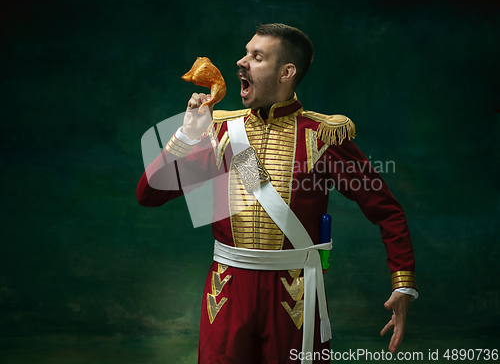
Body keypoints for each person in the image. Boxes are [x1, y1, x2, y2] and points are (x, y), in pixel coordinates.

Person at [136, 23, 417, 364]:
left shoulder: (323, 136)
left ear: (286, 72)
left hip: (295, 297)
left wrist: (402, 285)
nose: (241, 62)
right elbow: (149, 194)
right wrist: (186, 135)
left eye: (256, 57)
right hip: (226, 294)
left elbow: (386, 210)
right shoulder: (222, 132)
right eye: (245, 53)